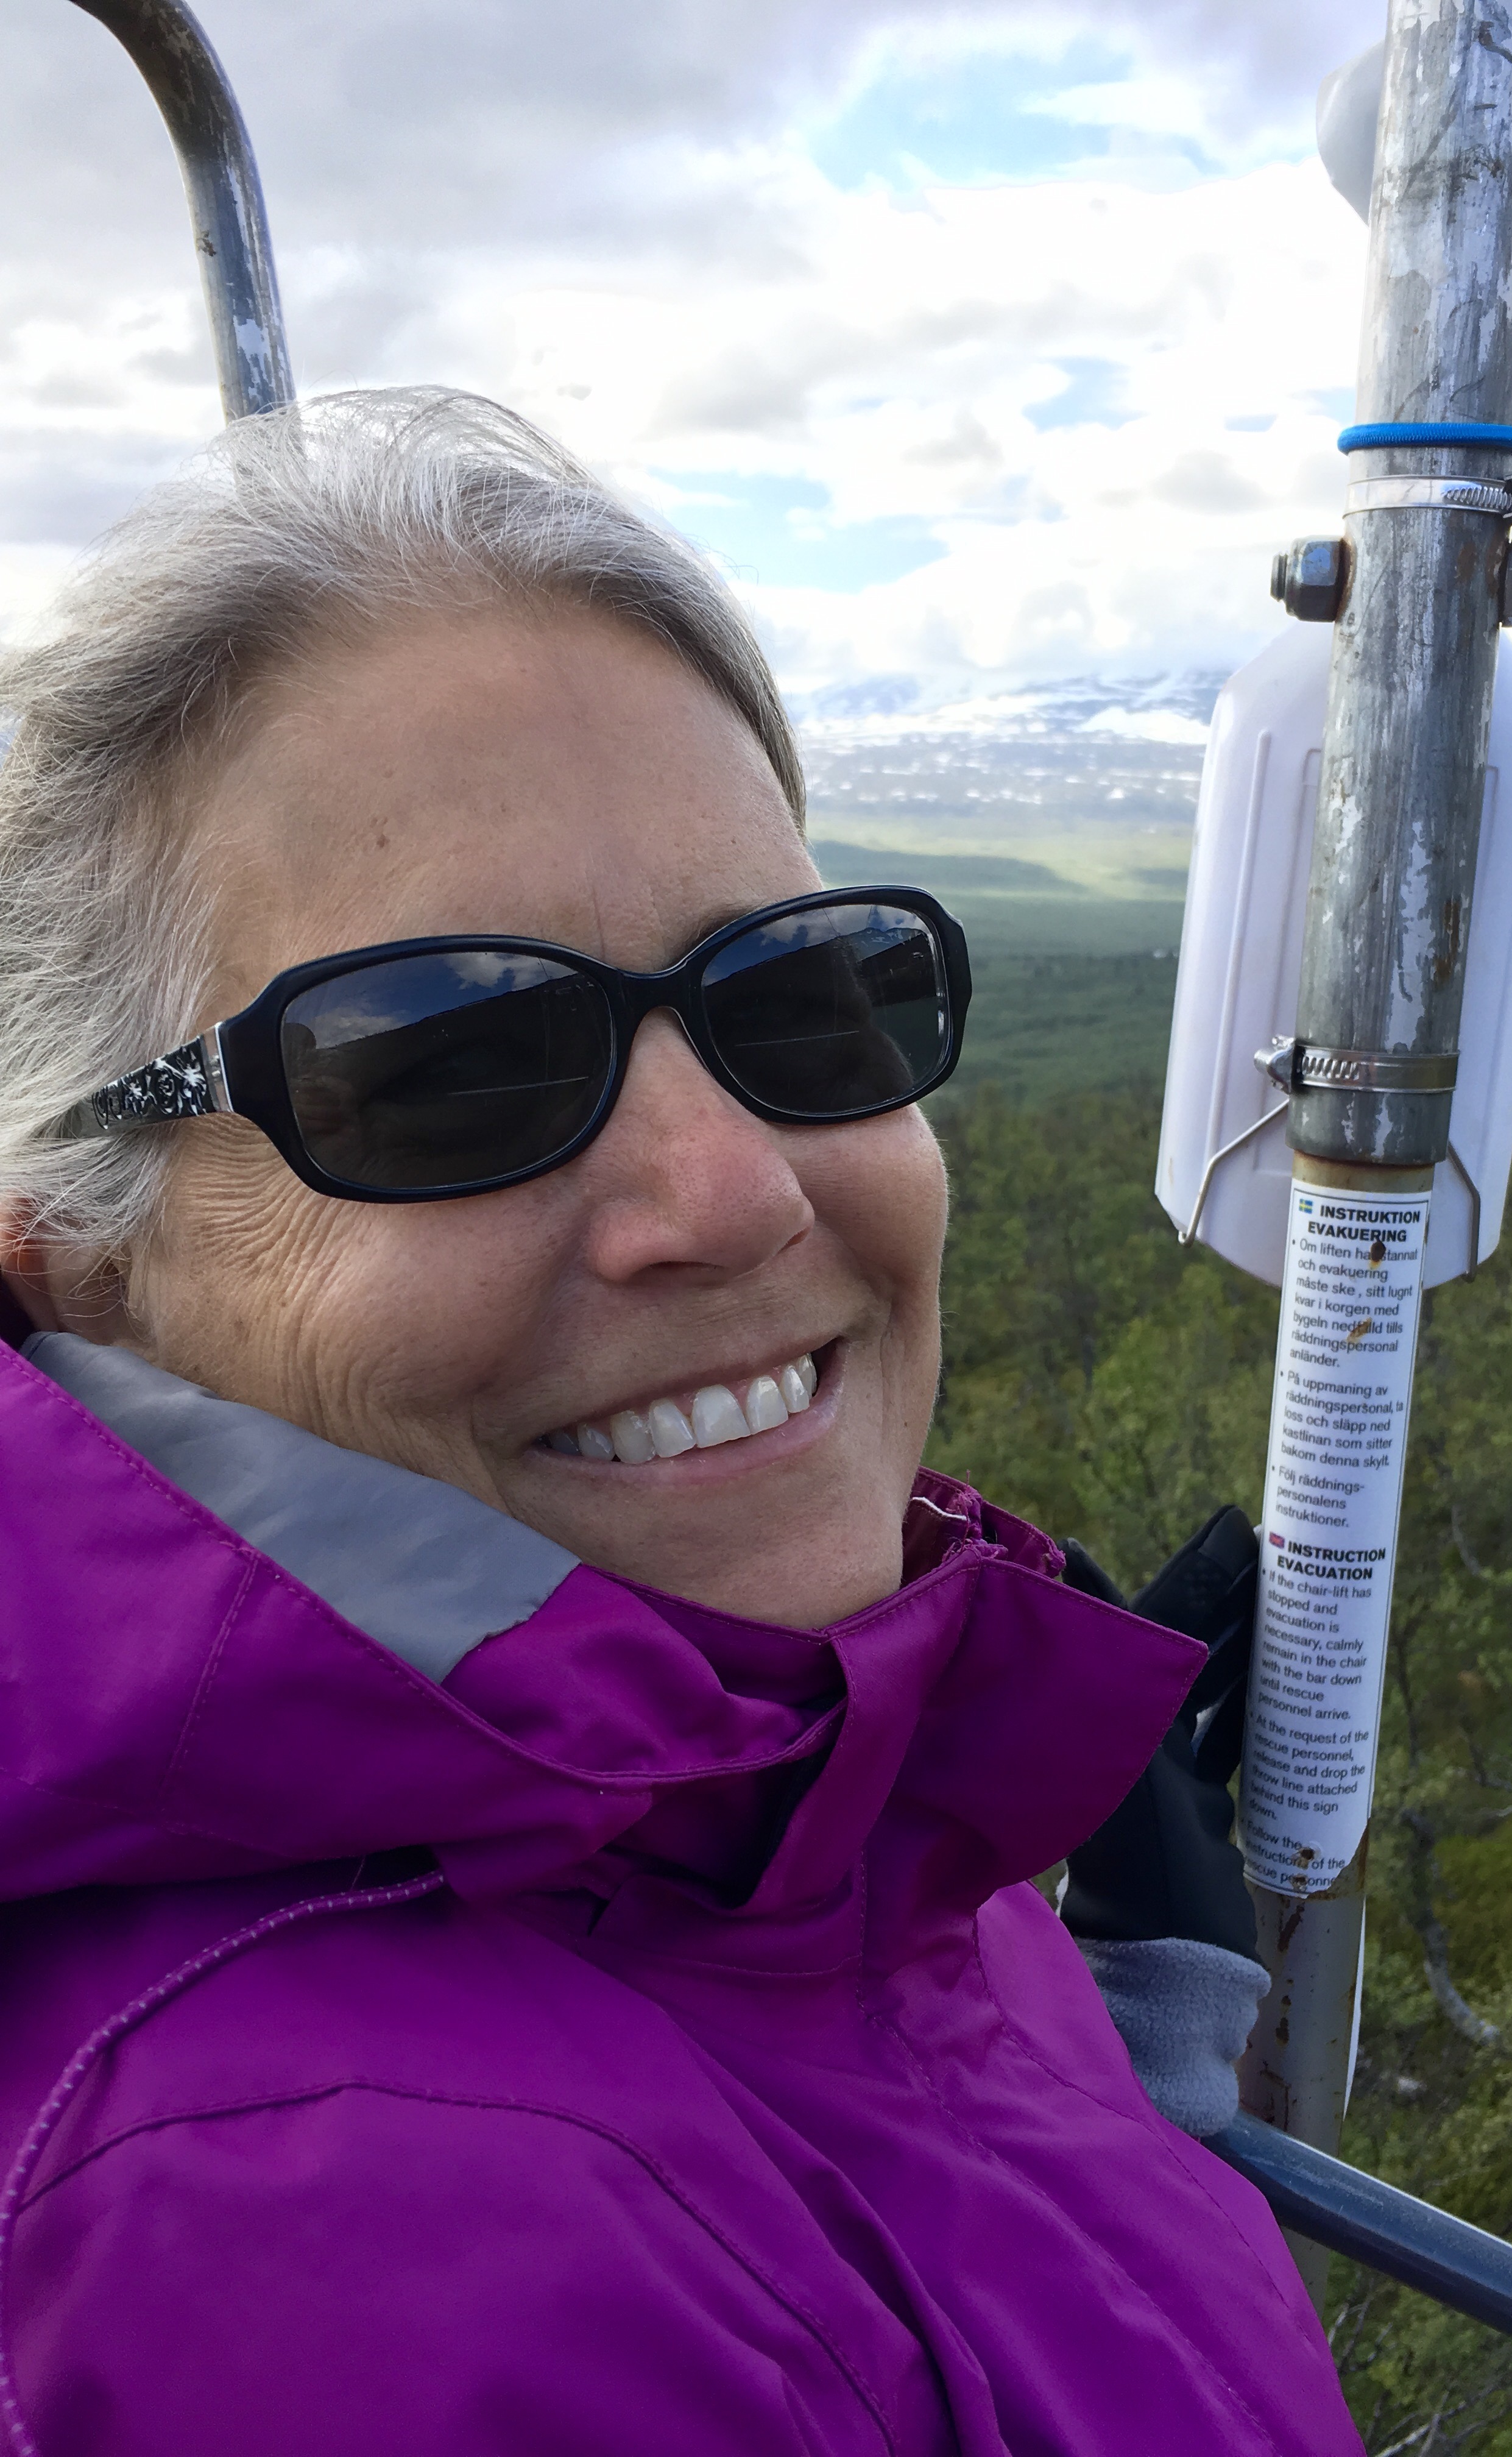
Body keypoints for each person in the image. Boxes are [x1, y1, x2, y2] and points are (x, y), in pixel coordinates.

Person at [0, 389, 1359, 2456]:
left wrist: (1099, 2080)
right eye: (448, 1062)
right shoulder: (347, 2238)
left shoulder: (755, 1801)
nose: (733, 1196)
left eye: (801, 995)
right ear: (85, 1275)